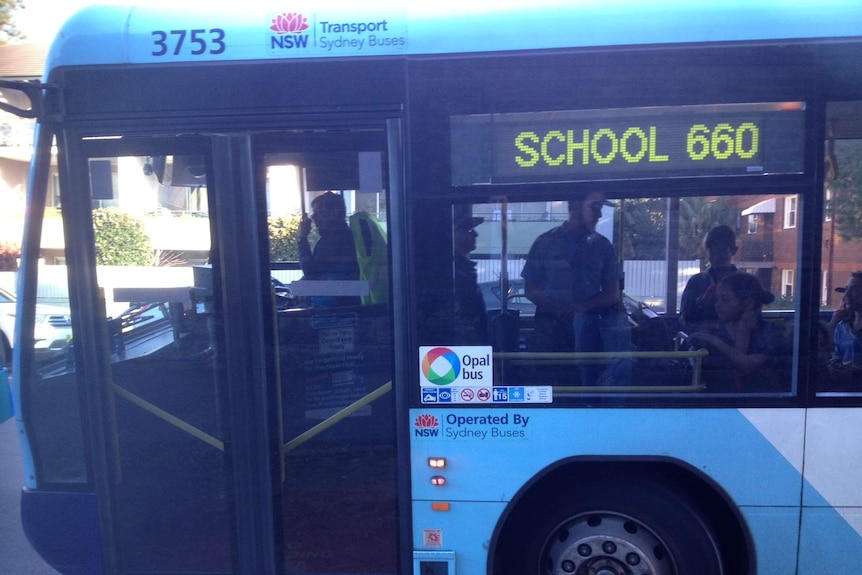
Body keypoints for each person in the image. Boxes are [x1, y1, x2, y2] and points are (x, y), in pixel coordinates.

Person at [521, 191, 627, 385]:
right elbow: (530, 288)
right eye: (595, 208)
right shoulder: (545, 242)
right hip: (550, 330)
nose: (599, 215)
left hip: (591, 330)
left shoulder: (603, 246)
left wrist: (580, 309)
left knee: (588, 385)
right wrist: (558, 309)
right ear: (576, 207)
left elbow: (613, 294)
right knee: (549, 387)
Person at [686, 271, 788, 392]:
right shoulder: (714, 332)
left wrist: (713, 340)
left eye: (725, 300)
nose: (717, 305)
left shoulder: (768, 334)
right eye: (717, 299)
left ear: (748, 303)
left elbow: (746, 366)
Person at [298, 192, 361, 307]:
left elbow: (311, 273)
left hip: (333, 308)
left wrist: (302, 238)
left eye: (318, 212)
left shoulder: (333, 241)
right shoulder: (346, 236)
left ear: (333, 214)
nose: (313, 217)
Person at [679, 225, 739, 332]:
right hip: (701, 344)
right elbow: (683, 320)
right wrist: (698, 305)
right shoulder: (696, 282)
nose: (716, 257)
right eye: (712, 252)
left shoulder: (746, 283)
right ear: (707, 252)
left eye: (722, 252)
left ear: (734, 251)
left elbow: (752, 320)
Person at [452, 210, 488, 345]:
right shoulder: (452, 270)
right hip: (462, 340)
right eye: (468, 231)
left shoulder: (463, 267)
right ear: (454, 234)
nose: (475, 234)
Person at [827, 271, 862, 384]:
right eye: (846, 289)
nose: (846, 295)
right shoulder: (841, 326)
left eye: (853, 289)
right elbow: (837, 354)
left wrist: (854, 374)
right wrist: (834, 364)